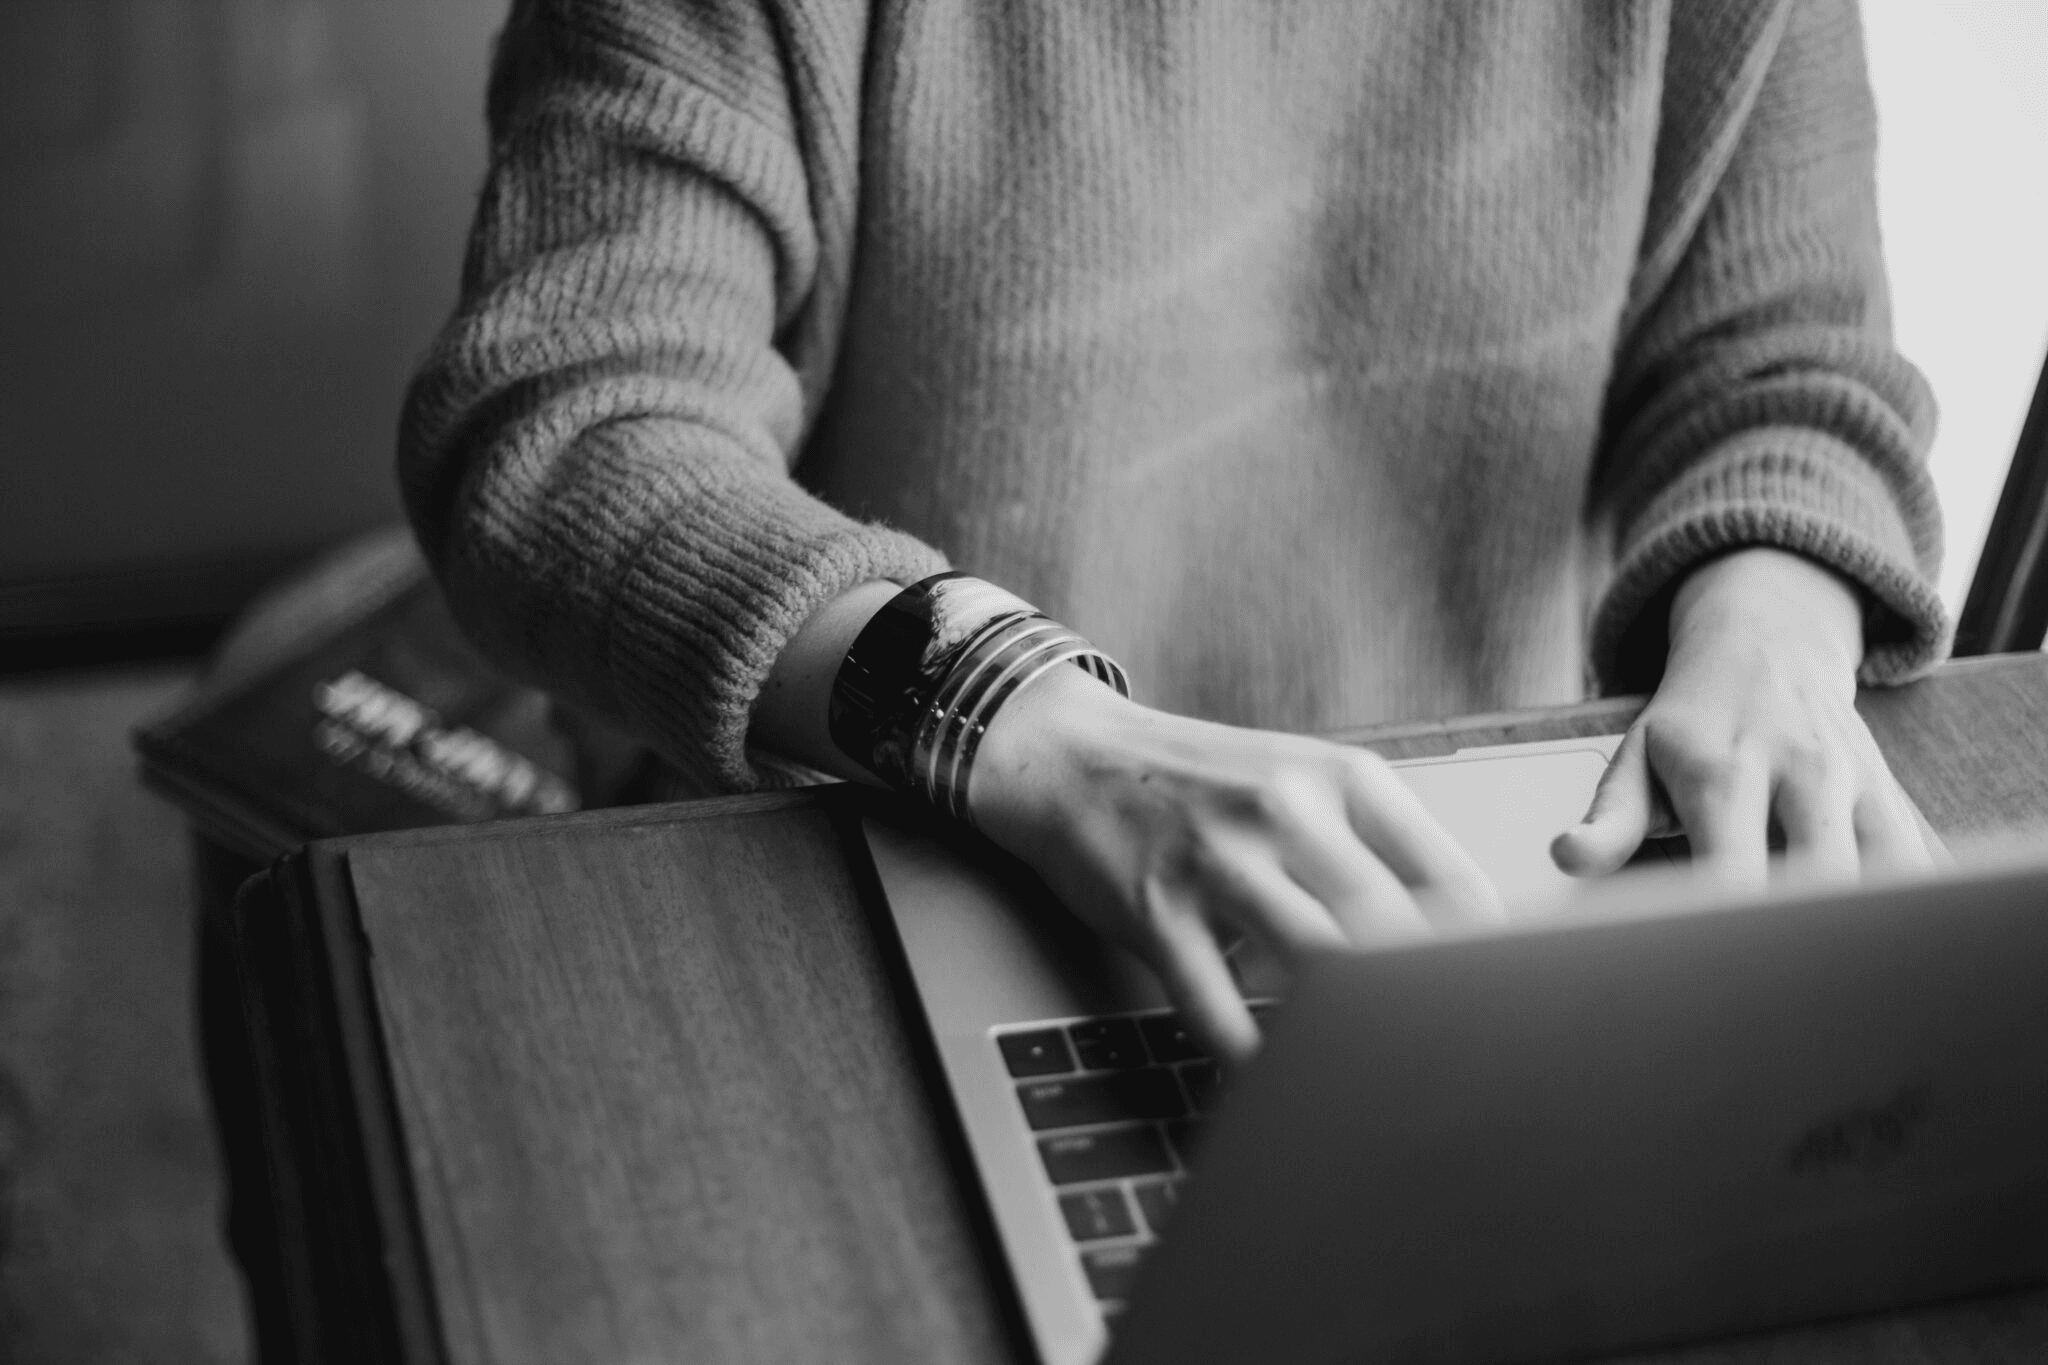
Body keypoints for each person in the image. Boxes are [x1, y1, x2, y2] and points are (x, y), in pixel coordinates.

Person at [400, 0, 1949, 1060]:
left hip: (1487, 878)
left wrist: (1778, 628)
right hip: (881, 846)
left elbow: (1787, 370)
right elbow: (570, 425)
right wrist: (1008, 714)